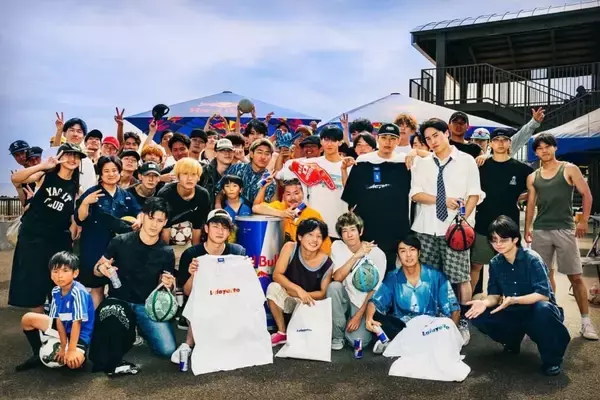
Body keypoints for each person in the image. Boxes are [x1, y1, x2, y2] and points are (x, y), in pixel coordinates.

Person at [410, 118, 484, 345]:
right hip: (426, 229)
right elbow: (415, 194)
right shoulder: (422, 163)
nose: (432, 141)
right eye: (428, 138)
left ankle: (462, 321)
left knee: (460, 277)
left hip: (456, 231)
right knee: (429, 277)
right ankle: (432, 319)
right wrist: (442, 200)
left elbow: (474, 194)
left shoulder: (466, 160)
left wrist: (462, 221)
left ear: (446, 133)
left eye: (436, 135)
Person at [466, 216, 570, 376]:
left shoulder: (532, 259)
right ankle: (512, 339)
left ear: (515, 239)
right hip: (512, 310)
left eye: (503, 239)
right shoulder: (495, 263)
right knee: (478, 314)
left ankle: (552, 359)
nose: (498, 244)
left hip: (536, 311)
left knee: (543, 309)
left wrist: (514, 299)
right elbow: (494, 295)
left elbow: (543, 295)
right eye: (494, 240)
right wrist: (484, 303)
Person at [525, 133, 598, 340]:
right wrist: (527, 228)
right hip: (541, 229)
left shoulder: (569, 169)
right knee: (544, 277)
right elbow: (531, 203)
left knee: (575, 276)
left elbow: (587, 194)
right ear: (536, 152)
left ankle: (586, 322)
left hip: (564, 228)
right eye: (539, 148)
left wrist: (583, 221)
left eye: (547, 146)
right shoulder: (533, 177)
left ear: (555, 148)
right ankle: (551, 316)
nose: (544, 151)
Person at [93, 198, 177, 364]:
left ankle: (141, 328)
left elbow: (168, 286)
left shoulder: (166, 251)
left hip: (147, 305)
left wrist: (170, 284)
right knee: (108, 345)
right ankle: (130, 330)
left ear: (165, 222)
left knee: (167, 349)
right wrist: (101, 269)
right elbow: (96, 269)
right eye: (151, 218)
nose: (154, 224)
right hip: (119, 302)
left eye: (159, 220)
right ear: (142, 216)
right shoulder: (120, 241)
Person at [9, 143, 84, 311]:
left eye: (76, 156)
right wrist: (43, 165)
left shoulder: (75, 187)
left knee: (58, 282)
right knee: (34, 284)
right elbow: (16, 179)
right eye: (68, 154)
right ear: (60, 156)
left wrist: (74, 226)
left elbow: (73, 213)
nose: (72, 159)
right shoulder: (45, 175)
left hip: (57, 239)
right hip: (33, 237)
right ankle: (39, 323)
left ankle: (56, 323)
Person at [171, 209, 246, 364]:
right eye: (216, 226)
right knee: (201, 300)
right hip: (201, 304)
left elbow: (243, 287)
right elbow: (187, 292)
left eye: (225, 228)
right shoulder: (191, 254)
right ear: (206, 228)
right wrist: (193, 274)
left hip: (228, 302)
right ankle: (187, 344)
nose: (220, 231)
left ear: (229, 232)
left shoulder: (237, 252)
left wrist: (247, 270)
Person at [365, 234, 460, 354]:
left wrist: (451, 335)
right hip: (403, 328)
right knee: (379, 318)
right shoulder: (393, 277)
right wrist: (369, 318)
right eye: (403, 251)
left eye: (412, 250)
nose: (408, 255)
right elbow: (375, 301)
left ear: (419, 253)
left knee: (445, 324)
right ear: (398, 256)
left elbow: (454, 309)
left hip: (430, 327)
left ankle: (397, 345)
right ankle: (405, 343)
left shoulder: (435, 276)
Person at [471, 128, 533, 291]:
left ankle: (508, 300)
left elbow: (534, 191)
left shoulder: (522, 169)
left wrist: (519, 197)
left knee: (509, 266)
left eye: (504, 140)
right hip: (483, 224)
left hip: (509, 226)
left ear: (509, 143)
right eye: (496, 140)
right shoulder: (480, 166)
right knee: (476, 265)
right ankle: (467, 301)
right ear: (490, 144)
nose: (500, 143)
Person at [342, 123, 412, 269]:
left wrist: (416, 152)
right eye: (384, 138)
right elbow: (351, 197)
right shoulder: (363, 162)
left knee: (393, 270)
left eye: (393, 138)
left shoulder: (405, 163)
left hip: (396, 229)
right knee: (368, 271)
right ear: (377, 138)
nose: (388, 142)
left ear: (399, 141)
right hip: (368, 229)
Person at [76, 156, 142, 307]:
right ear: (100, 173)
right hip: (94, 246)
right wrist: (85, 203)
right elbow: (79, 219)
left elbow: (139, 211)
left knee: (118, 286)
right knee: (97, 287)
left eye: (114, 170)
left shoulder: (125, 195)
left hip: (119, 249)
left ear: (120, 172)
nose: (111, 174)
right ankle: (94, 320)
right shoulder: (92, 192)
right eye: (106, 171)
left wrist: (139, 220)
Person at [16, 252, 95, 371]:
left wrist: (71, 350)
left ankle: (80, 356)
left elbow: (77, 323)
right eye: (55, 271)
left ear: (75, 273)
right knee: (27, 319)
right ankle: (38, 354)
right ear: (51, 275)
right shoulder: (55, 291)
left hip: (80, 334)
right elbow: (57, 320)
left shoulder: (78, 292)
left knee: (73, 362)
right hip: (63, 327)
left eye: (65, 271)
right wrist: (63, 346)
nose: (60, 276)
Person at [267, 218, 333, 346]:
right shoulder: (290, 247)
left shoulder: (327, 262)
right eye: (310, 234)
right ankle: (282, 332)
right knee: (273, 288)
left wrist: (303, 295)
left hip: (309, 301)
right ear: (300, 236)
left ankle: (300, 331)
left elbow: (323, 293)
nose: (314, 240)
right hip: (290, 295)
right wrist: (298, 290)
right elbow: (277, 275)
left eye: (319, 236)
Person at [327, 213, 387, 350]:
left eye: (353, 229)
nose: (349, 235)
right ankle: (337, 335)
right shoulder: (337, 246)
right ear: (341, 235)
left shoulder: (377, 253)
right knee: (333, 287)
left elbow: (375, 291)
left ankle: (347, 325)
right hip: (344, 298)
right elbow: (337, 278)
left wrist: (358, 316)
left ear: (361, 231)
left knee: (358, 341)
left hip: (362, 303)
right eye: (344, 231)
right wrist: (356, 256)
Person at [253, 178, 332, 254]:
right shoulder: (280, 207)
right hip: (279, 253)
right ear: (284, 196)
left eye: (296, 193)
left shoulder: (313, 215)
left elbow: (325, 248)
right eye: (288, 194)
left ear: (303, 195)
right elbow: (255, 208)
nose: (293, 198)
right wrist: (282, 213)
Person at [157, 158, 210, 260]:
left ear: (198, 177)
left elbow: (197, 227)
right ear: (177, 176)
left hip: (189, 239)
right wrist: (165, 255)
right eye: (185, 174)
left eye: (194, 174)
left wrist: (194, 255)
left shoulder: (203, 195)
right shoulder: (165, 194)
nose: (189, 178)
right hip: (167, 237)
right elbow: (164, 228)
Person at [303, 125, 347, 241]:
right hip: (314, 226)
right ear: (321, 141)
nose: (329, 144)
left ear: (340, 142)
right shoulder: (310, 164)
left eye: (334, 140)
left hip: (339, 226)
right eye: (326, 140)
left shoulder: (348, 166)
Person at [52, 117, 97, 192]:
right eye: (72, 130)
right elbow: (55, 150)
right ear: (64, 133)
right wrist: (59, 130)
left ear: (84, 136)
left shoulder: (87, 162)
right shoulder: (56, 157)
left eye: (79, 131)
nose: (75, 134)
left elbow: (90, 189)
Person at [225, 138, 276, 204]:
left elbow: (262, 206)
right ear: (251, 154)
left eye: (267, 154)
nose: (263, 157)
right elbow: (220, 190)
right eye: (259, 152)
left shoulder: (269, 181)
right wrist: (218, 205)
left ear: (271, 157)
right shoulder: (237, 168)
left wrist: (263, 188)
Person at [199, 138, 235, 205]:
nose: (227, 153)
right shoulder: (203, 171)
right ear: (215, 153)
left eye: (230, 150)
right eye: (222, 150)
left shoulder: (238, 172)